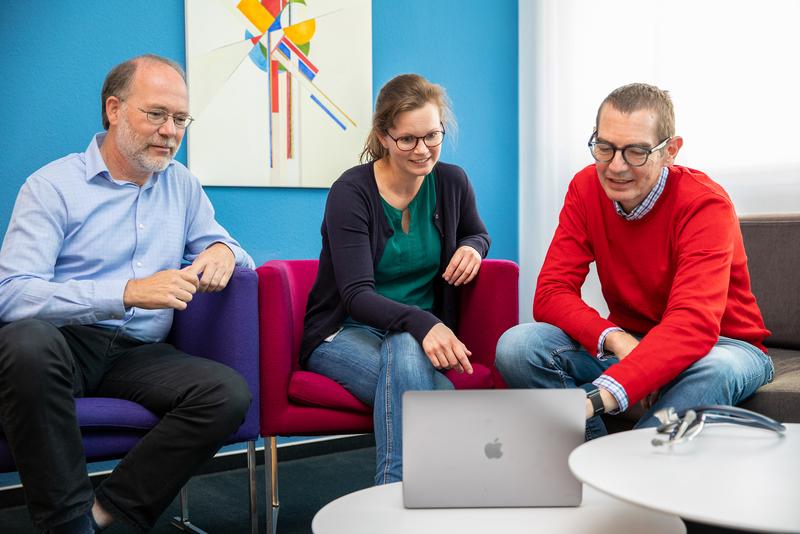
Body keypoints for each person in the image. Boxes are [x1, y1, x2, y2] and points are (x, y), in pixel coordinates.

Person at [0, 54, 255, 533]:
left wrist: (223, 248)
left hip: (139, 353)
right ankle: (66, 524)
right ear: (114, 109)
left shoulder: (182, 185)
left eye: (180, 119)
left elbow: (233, 250)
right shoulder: (52, 186)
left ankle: (97, 514)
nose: (170, 130)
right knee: (25, 343)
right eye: (156, 114)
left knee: (227, 393)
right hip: (64, 342)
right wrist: (127, 291)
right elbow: (12, 294)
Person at [495, 82, 773, 439]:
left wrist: (603, 393)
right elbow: (550, 292)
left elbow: (693, 324)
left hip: (724, 345)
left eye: (636, 152)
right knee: (519, 346)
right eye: (605, 148)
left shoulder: (705, 205)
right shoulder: (584, 188)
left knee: (715, 369)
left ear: (670, 151)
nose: (616, 167)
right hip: (631, 337)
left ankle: (629, 469)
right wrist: (618, 341)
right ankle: (592, 457)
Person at [300, 74, 490, 484]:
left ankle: (392, 500)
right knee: (438, 398)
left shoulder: (452, 182)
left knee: (405, 347)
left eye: (432, 136)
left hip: (412, 339)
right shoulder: (351, 192)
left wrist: (473, 247)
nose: (423, 150)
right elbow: (354, 295)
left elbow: (478, 231)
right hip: (342, 333)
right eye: (408, 139)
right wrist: (426, 323)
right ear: (384, 136)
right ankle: (412, 496)